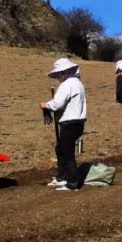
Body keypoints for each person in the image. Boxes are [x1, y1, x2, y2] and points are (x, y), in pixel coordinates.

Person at [41, 58, 87, 191]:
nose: (57, 78)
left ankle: (72, 183)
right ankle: (62, 177)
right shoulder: (77, 83)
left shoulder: (67, 84)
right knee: (60, 149)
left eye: (58, 74)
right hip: (77, 123)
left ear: (63, 72)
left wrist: (45, 105)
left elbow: (57, 104)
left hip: (70, 123)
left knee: (67, 153)